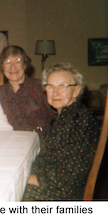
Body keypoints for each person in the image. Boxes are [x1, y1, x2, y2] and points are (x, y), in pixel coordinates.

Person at [22, 63, 101, 201]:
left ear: (76, 91)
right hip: (52, 184)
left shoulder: (80, 122)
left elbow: (66, 181)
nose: (55, 92)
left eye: (63, 86)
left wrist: (25, 179)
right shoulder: (60, 118)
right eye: (50, 87)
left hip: (63, 196)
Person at [0, 46, 55, 131]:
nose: (13, 67)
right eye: (7, 62)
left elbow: (55, 116)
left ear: (25, 65)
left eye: (17, 62)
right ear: (2, 66)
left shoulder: (40, 87)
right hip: (11, 140)